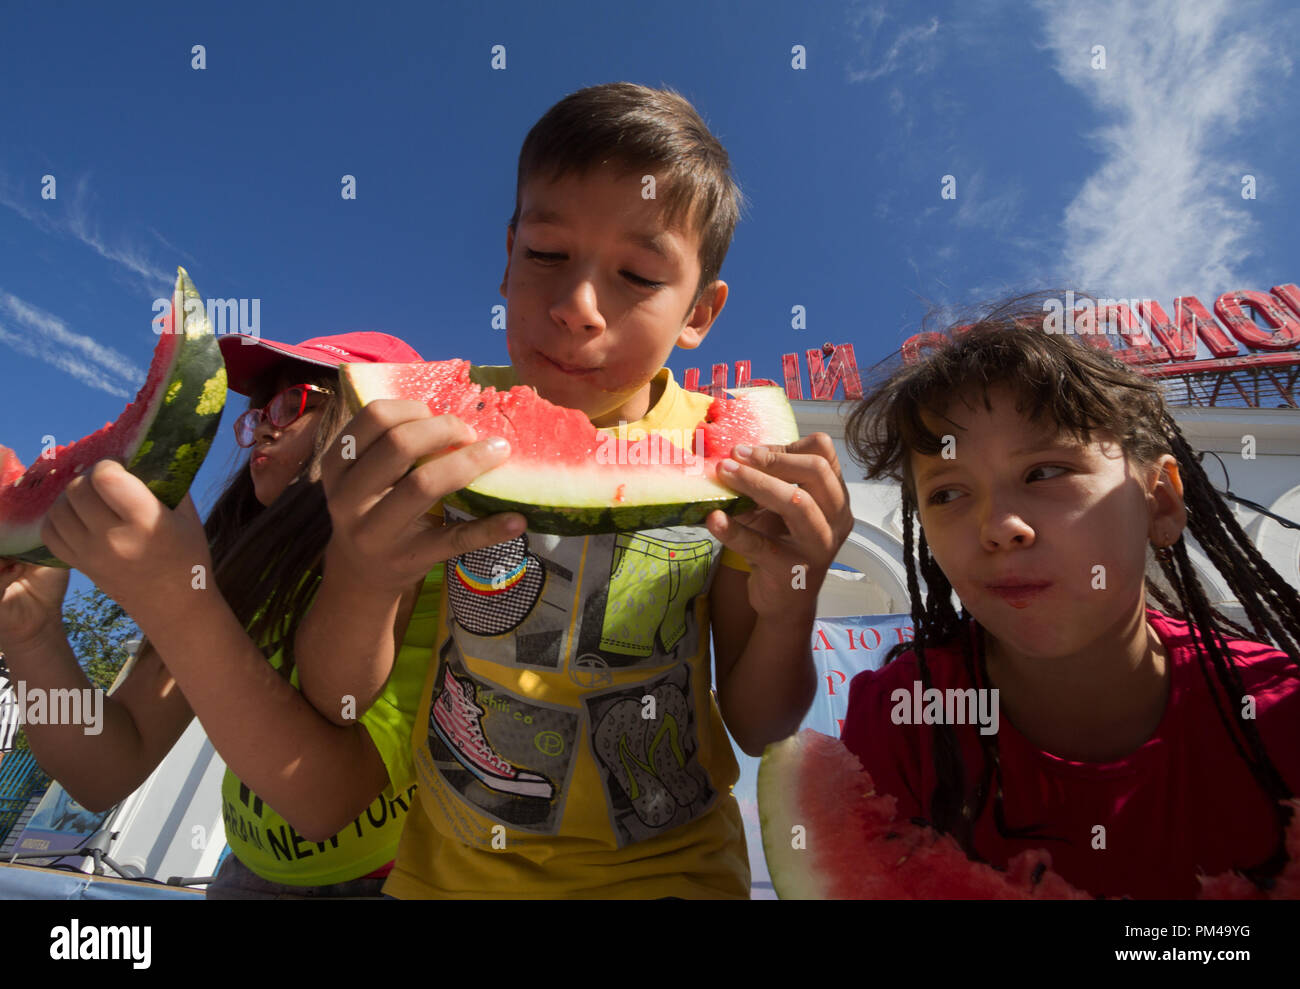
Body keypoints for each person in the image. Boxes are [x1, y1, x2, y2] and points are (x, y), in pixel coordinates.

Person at [291, 82, 856, 898]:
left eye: (636, 273)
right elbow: (338, 695)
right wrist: (359, 569)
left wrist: (792, 594)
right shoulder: (428, 434)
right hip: (450, 876)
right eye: (546, 255)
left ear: (700, 312)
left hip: (674, 873)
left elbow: (761, 721)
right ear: (507, 253)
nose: (577, 306)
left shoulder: (736, 466)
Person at [839, 294, 1300, 898]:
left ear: (1158, 501)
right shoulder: (901, 717)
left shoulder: (1279, 711)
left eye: (1045, 472)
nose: (999, 527)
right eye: (948, 494)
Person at [0, 331, 436, 898]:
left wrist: (176, 600)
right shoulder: (232, 570)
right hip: (245, 875)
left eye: (293, 401)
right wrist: (32, 636)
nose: (264, 425)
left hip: (381, 882)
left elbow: (326, 802)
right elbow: (103, 770)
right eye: (257, 412)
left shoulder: (418, 568)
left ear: (375, 423)